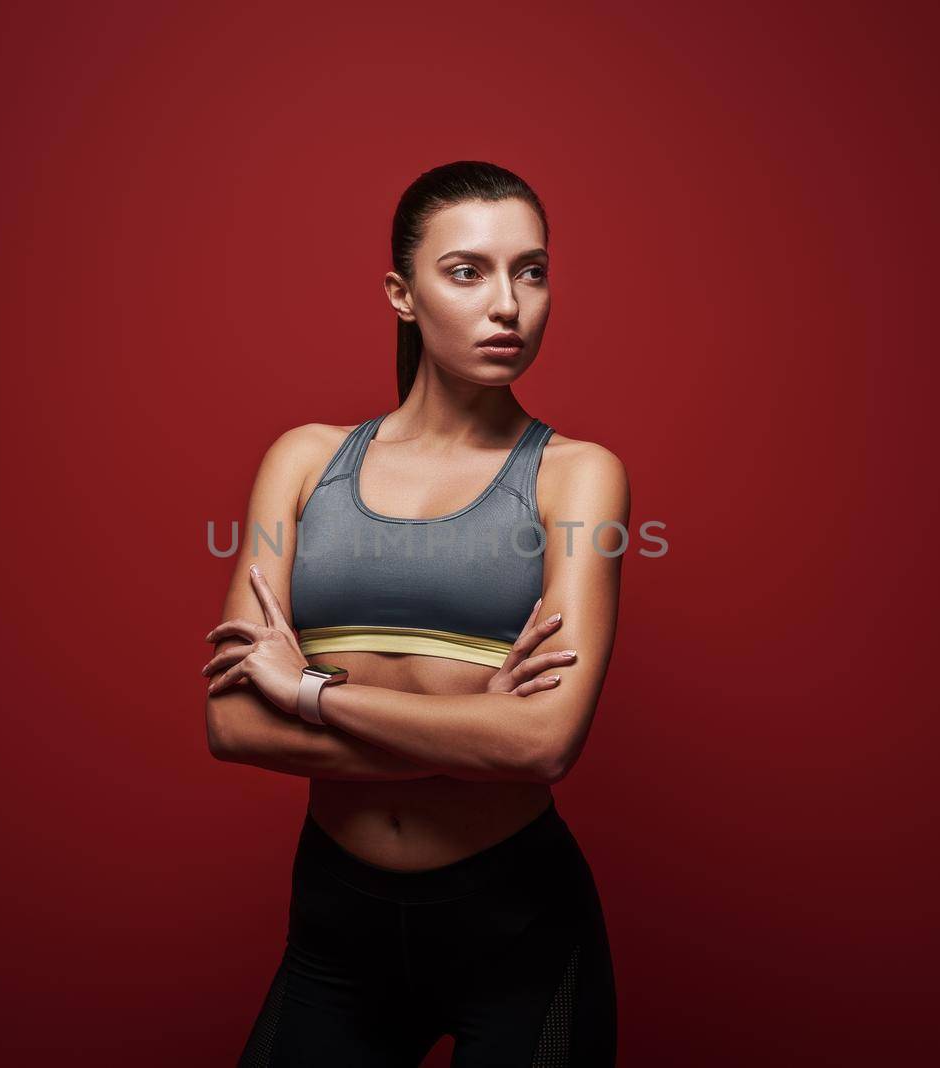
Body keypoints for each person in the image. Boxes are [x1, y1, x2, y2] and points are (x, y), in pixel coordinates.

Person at [204, 160, 628, 1066]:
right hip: (335, 928)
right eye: (467, 271)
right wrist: (472, 735)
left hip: (518, 927)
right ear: (402, 293)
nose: (508, 304)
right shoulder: (306, 463)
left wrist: (309, 690)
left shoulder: (576, 476)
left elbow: (545, 745)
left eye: (532, 270)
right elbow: (233, 722)